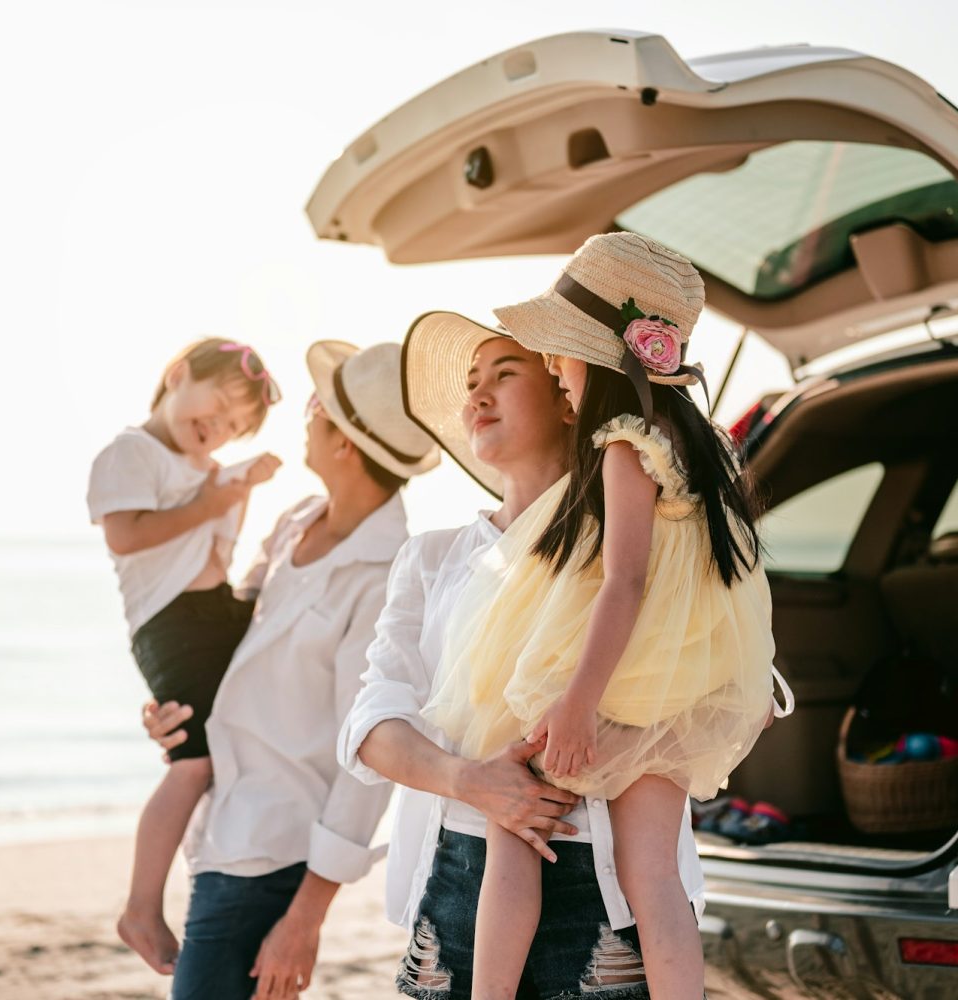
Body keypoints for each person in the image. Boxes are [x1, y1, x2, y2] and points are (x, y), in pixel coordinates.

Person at [422, 232, 794, 999]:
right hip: (678, 685)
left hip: (604, 672)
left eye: (560, 353)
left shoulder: (625, 446)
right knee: (653, 874)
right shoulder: (704, 449)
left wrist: (579, 702)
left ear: (597, 356)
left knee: (516, 836)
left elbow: (623, 581)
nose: (556, 369)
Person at [339, 315, 710, 1000]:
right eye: (470, 383)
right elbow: (370, 724)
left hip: (612, 898)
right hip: (460, 881)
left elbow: (732, 696)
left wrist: (617, 740)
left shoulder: (645, 531)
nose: (476, 396)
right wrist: (469, 779)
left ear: (567, 394)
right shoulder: (430, 558)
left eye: (503, 375)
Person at [143, 340, 439, 1000]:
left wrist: (305, 919)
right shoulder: (293, 522)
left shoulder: (384, 580)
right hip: (224, 829)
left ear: (345, 445)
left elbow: (371, 762)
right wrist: (173, 704)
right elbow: (225, 646)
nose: (304, 415)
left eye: (317, 408)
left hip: (275, 858)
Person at [87, 337, 282, 973]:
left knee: (242, 747)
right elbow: (128, 533)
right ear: (177, 375)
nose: (218, 427)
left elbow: (218, 556)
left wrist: (239, 491)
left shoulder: (209, 474)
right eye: (218, 405)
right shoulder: (130, 452)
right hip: (169, 624)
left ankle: (225, 876)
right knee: (192, 763)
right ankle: (141, 908)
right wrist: (215, 498)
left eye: (234, 426)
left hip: (215, 609)